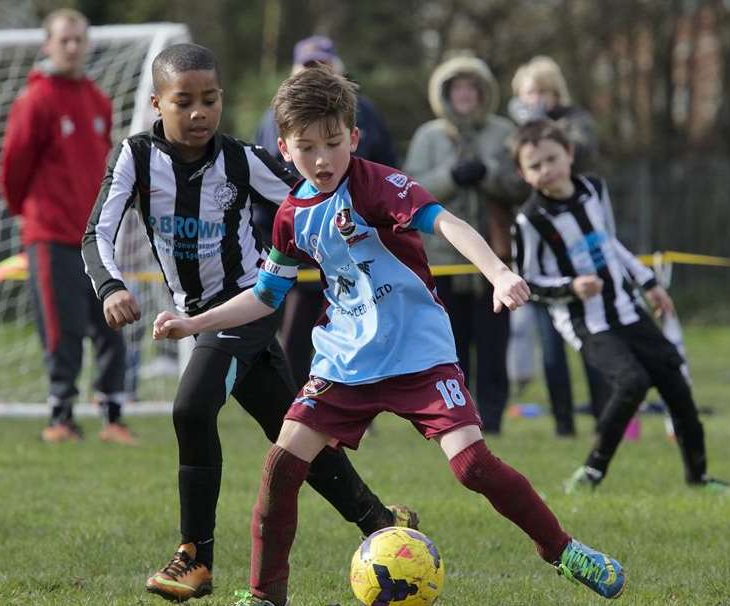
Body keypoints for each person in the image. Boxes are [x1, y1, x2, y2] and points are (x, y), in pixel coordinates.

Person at [153, 66, 626, 606]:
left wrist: (498, 272)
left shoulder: (377, 184)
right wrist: (194, 323)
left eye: (333, 143)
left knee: (471, 466)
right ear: (284, 149)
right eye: (307, 148)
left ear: (353, 138)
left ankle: (563, 550)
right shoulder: (290, 215)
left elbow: (447, 223)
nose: (323, 160)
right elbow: (265, 295)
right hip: (346, 361)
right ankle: (266, 597)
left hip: (419, 353)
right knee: (283, 466)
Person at [81, 44, 416, 603]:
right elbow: (97, 233)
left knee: (190, 408)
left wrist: (375, 232)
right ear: (156, 104)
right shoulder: (135, 158)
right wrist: (112, 286)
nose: (198, 113)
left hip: (248, 306)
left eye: (209, 100)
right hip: (201, 316)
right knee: (292, 436)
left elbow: (315, 189)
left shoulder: (240, 159)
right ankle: (379, 519)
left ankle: (195, 558)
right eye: (182, 101)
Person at [511, 119, 730, 495]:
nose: (546, 170)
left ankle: (699, 477)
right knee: (631, 382)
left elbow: (610, 243)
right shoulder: (529, 219)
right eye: (535, 166)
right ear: (522, 172)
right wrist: (572, 287)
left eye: (552, 159)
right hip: (587, 322)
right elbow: (527, 282)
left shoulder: (594, 189)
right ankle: (592, 472)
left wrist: (649, 283)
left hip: (627, 309)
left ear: (569, 154)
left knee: (674, 382)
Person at [0, 8, 134, 445]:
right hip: (50, 236)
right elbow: (13, 169)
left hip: (94, 238)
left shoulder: (98, 99)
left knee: (114, 322)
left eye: (79, 39)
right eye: (64, 40)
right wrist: (33, 218)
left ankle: (113, 417)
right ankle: (61, 417)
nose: (73, 47)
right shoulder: (34, 101)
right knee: (64, 330)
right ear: (48, 45)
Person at [255, 34, 397, 388]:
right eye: (308, 65)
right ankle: (296, 396)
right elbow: (261, 184)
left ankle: (363, 397)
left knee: (364, 323)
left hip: (357, 244)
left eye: (324, 64)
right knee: (298, 329)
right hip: (304, 244)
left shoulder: (367, 113)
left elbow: (387, 171)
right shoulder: (274, 118)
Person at [404, 54, 524, 434]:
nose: (465, 94)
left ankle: (493, 419)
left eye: (472, 87)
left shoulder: (504, 131)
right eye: (458, 88)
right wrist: (451, 176)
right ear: (445, 93)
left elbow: (521, 183)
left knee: (493, 346)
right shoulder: (429, 136)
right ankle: (459, 418)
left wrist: (487, 174)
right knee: (450, 346)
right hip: (442, 259)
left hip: (495, 259)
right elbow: (410, 189)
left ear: (483, 92)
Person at [508, 55, 609, 434]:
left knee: (596, 341)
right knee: (550, 346)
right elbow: (510, 178)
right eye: (527, 93)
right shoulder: (513, 132)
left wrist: (544, 130)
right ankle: (564, 423)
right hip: (541, 245)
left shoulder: (576, 122)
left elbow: (583, 153)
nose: (534, 99)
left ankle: (604, 416)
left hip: (579, 247)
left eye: (541, 92)